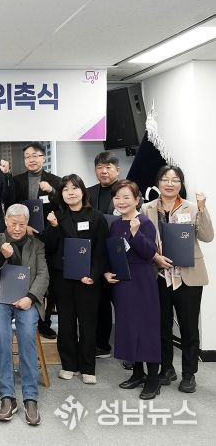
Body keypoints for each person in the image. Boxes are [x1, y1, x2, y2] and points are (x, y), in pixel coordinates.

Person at [141, 165, 213, 393]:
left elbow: (207, 236)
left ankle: (189, 374)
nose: (170, 183)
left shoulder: (191, 208)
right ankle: (167, 368)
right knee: (162, 325)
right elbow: (142, 241)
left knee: (189, 326)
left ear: (181, 184)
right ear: (158, 183)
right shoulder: (146, 208)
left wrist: (202, 209)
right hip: (159, 275)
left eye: (175, 180)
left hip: (188, 276)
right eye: (165, 179)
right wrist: (155, 257)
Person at [0, 204, 49, 426]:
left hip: (27, 299)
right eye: (13, 224)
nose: (18, 229)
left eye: (22, 224)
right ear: (5, 222)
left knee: (27, 336)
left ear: (27, 223)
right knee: (2, 336)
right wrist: (1, 257)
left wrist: (30, 297)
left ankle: (30, 398)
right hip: (0, 299)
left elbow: (43, 275)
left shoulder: (37, 245)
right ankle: (7, 397)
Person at [43, 174, 108, 384]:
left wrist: (94, 275)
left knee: (88, 323)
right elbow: (49, 247)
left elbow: (101, 251)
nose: (70, 192)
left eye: (74, 188)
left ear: (83, 191)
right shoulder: (56, 216)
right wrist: (53, 227)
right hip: (62, 277)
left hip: (87, 278)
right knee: (66, 323)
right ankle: (69, 364)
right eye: (65, 189)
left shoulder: (97, 217)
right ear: (61, 194)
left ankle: (88, 367)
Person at [103, 180, 161, 400]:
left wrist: (136, 233)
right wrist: (107, 272)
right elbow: (112, 252)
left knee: (146, 328)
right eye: (117, 197)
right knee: (128, 327)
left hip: (142, 281)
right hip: (123, 282)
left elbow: (149, 253)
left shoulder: (144, 222)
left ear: (137, 199)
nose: (121, 201)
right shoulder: (116, 224)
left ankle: (153, 379)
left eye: (126, 197)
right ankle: (137, 373)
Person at [12, 142, 61, 340]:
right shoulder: (16, 180)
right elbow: (11, 206)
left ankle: (45, 322)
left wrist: (52, 192)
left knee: (48, 280)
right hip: (23, 235)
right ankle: (24, 316)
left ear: (43, 157)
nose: (31, 160)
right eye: (27, 157)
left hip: (49, 236)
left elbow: (63, 205)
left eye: (35, 156)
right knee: (26, 276)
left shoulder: (55, 181)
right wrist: (24, 227)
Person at [87, 151, 122, 359]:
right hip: (96, 256)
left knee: (124, 305)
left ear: (117, 170)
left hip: (119, 256)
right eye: (100, 167)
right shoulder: (89, 192)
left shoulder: (127, 190)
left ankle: (130, 351)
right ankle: (102, 345)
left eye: (108, 167)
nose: (104, 171)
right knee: (100, 303)